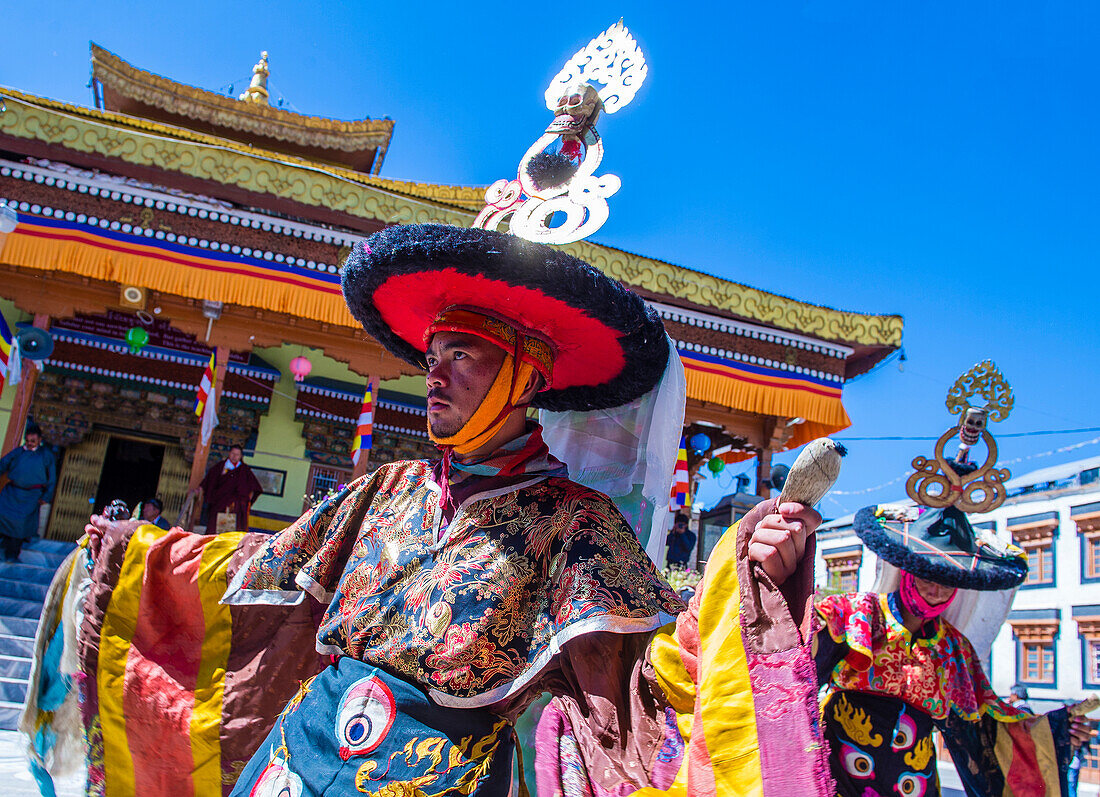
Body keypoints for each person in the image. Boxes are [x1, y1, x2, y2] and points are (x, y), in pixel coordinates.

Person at [212, 223, 824, 796]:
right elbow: (254, 572)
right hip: (294, 757)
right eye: (432, 358)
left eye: (462, 357)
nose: (435, 378)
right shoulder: (387, 487)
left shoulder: (573, 522)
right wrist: (123, 544)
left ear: (526, 381)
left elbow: (639, 688)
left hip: (438, 773)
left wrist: (743, 576)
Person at [0, 423, 56, 561]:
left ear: (39, 440)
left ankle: (12, 555)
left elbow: (52, 478)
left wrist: (46, 496)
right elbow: (2, 465)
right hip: (11, 493)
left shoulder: (46, 455)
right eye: (28, 441)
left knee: (21, 526)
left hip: (31, 497)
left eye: (33, 441)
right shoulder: (18, 452)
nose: (30, 444)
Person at [193, 444, 262, 532]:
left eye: (237, 454)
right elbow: (209, 480)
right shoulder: (220, 466)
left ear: (240, 456)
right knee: (214, 528)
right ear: (229, 454)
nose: (234, 456)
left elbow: (255, 488)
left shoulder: (245, 470)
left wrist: (246, 501)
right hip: (220, 503)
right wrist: (199, 489)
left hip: (237, 506)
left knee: (234, 530)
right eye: (233, 453)